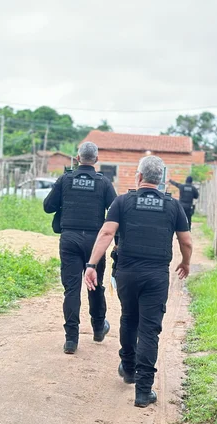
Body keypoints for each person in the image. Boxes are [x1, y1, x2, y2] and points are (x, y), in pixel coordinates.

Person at [84, 155, 193, 408]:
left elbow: (107, 233)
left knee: (129, 319)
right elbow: (186, 241)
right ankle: (143, 392)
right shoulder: (173, 206)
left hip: (127, 273)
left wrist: (91, 264)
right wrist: (186, 262)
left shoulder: (122, 202)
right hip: (156, 275)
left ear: (139, 176)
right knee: (149, 329)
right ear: (162, 179)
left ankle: (129, 368)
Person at [43, 141, 117, 354]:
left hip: (69, 239)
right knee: (95, 285)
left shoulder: (65, 179)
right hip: (95, 242)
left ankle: (71, 340)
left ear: (77, 158)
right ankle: (97, 328)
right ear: (96, 159)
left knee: (72, 289)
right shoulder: (103, 182)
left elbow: (48, 207)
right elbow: (114, 211)